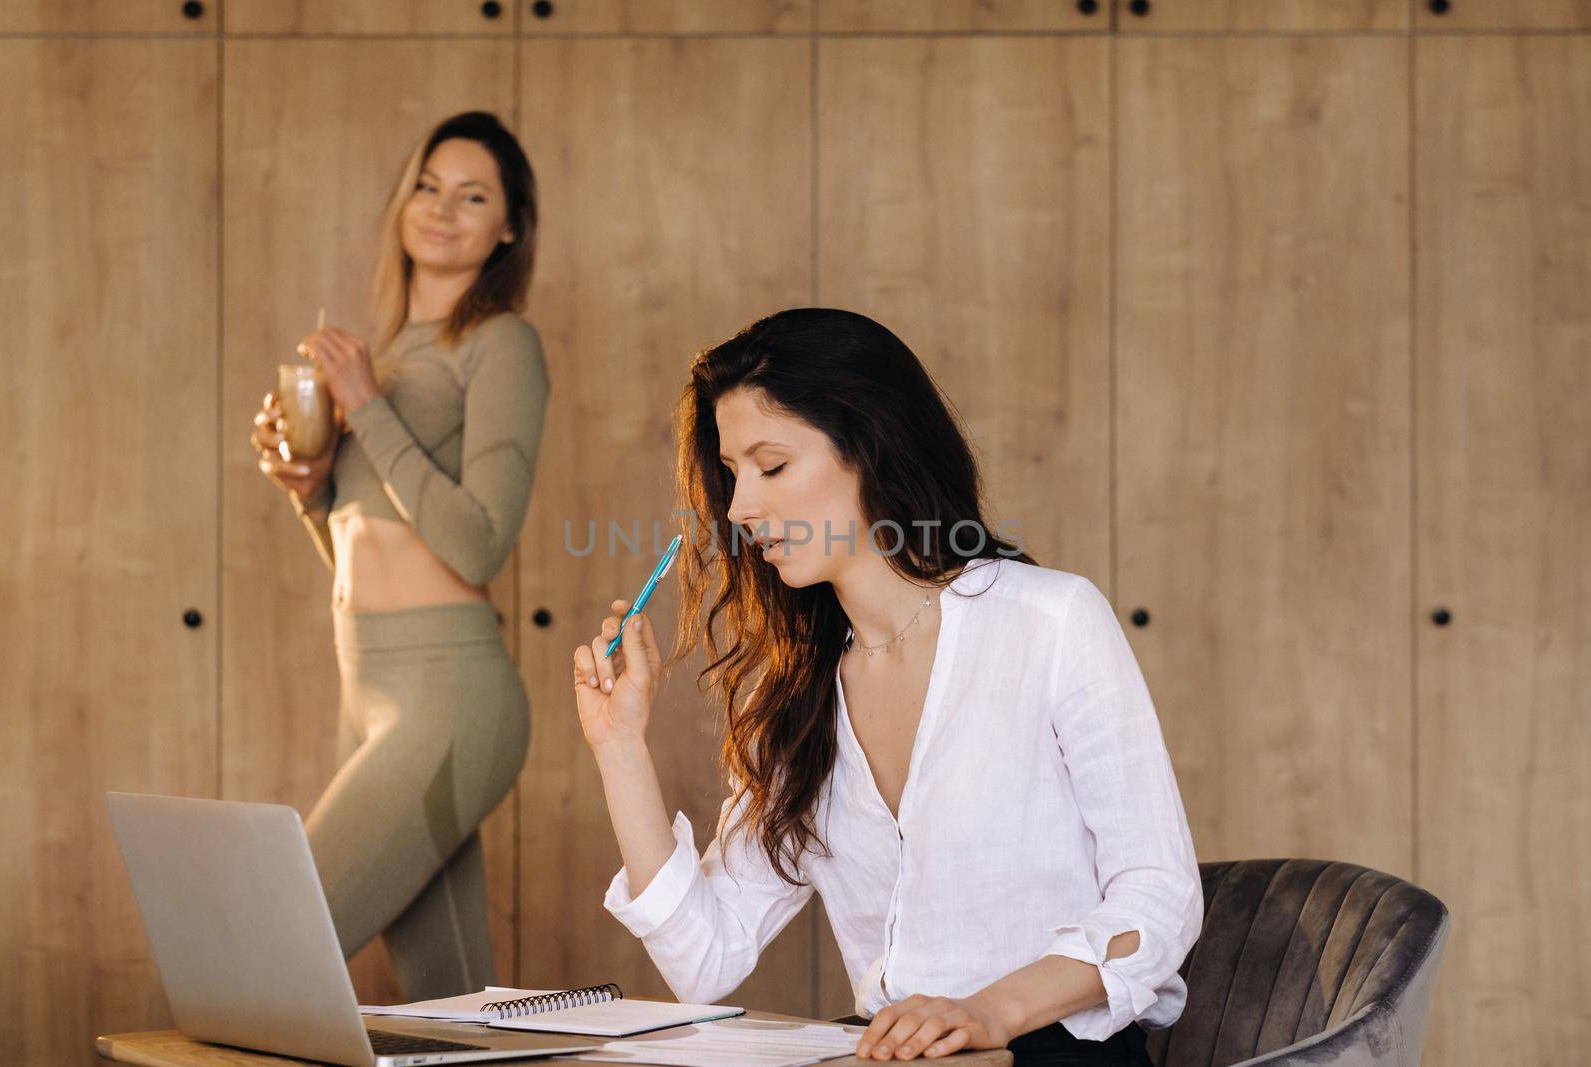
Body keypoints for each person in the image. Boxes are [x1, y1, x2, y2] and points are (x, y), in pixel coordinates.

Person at [570, 309, 1200, 1065]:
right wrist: (618, 745)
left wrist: (985, 1013)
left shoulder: (1049, 622)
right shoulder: (794, 693)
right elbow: (705, 957)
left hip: (1048, 1050)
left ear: (870, 448)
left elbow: (1160, 899)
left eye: (771, 466)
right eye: (732, 474)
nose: (739, 509)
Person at [249, 111, 548, 999]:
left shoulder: (500, 345)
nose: (442, 208)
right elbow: (358, 554)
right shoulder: (385, 355)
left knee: (268, 953)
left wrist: (365, 406)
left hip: (451, 691)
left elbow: (481, 541)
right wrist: (308, 490)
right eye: (427, 185)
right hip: (365, 683)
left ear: (508, 229)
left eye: (473, 196)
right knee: (448, 999)